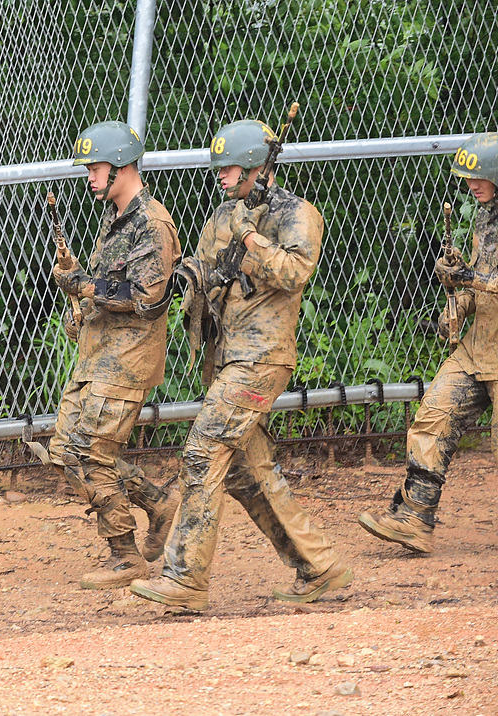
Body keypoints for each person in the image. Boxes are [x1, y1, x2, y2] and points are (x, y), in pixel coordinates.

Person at [129, 118, 353, 611]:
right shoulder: (224, 215)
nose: (221, 176)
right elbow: (207, 269)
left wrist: (250, 242)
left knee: (203, 452)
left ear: (257, 167)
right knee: (247, 474)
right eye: (219, 168)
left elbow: (295, 274)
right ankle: (317, 564)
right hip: (226, 360)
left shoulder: (298, 215)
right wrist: (184, 279)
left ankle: (185, 578)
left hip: (261, 358)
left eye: (229, 168)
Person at [31, 120, 182, 590]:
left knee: (94, 455)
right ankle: (156, 500)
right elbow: (103, 291)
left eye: (95, 168)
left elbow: (147, 295)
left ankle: (125, 557)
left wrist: (83, 285)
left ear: (121, 164)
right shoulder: (113, 218)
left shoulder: (152, 224)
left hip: (126, 361)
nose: (90, 177)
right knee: (63, 453)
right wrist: (80, 298)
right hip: (95, 358)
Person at [359, 131, 498, 553]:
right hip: (477, 348)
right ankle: (414, 518)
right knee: (431, 422)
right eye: (466, 178)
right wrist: (456, 303)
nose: (471, 186)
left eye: (478, 177)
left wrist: (469, 279)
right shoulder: (483, 217)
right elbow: (481, 284)